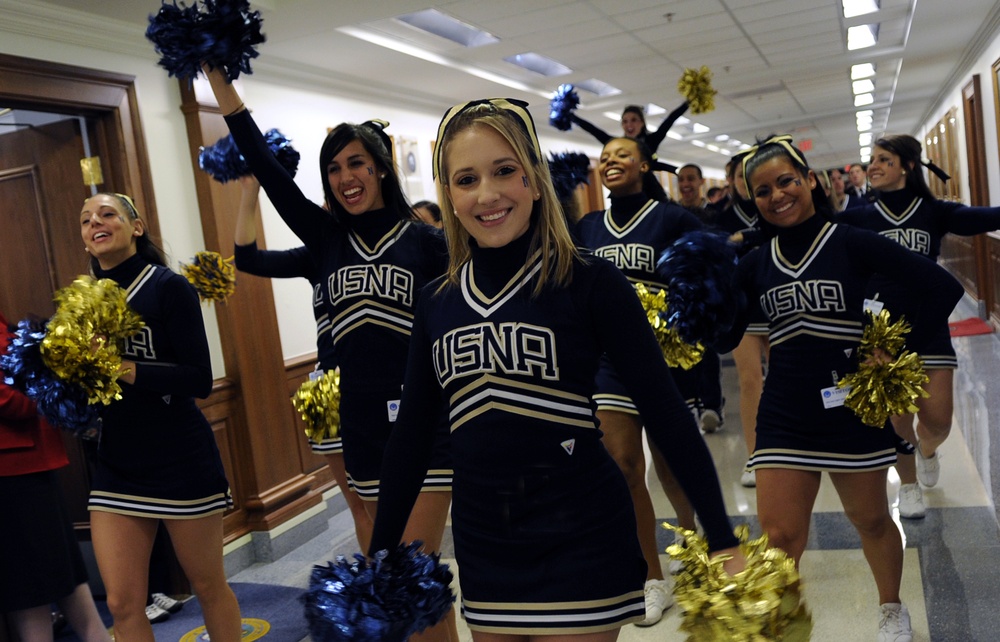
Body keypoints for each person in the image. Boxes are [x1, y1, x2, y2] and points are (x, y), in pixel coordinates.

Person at [368, 97, 743, 641]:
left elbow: (664, 412)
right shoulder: (437, 301)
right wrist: (379, 557)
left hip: (581, 536)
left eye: (504, 171)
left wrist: (722, 536)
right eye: (466, 179)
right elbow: (411, 437)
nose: (487, 194)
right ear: (449, 195)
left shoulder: (593, 283)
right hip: (483, 543)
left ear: (535, 180)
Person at [204, 67, 456, 641]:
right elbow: (265, 169)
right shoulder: (325, 238)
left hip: (423, 429)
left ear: (381, 167)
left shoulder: (429, 243)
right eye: (334, 167)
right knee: (398, 585)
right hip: (361, 428)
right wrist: (220, 79)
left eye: (357, 163)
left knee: (411, 571)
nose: (345, 177)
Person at [720, 135, 963, 642]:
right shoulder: (753, 264)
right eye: (762, 190)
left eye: (786, 181)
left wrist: (892, 346)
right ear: (752, 200)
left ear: (810, 181)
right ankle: (779, 629)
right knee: (781, 536)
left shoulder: (850, 240)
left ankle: (891, 607)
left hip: (852, 407)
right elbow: (724, 333)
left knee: (871, 520)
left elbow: (941, 288)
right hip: (785, 411)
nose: (777, 195)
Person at [80, 192, 241, 642]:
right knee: (121, 602)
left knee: (207, 585)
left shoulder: (167, 287)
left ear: (136, 227)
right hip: (117, 462)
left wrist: (121, 368)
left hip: (179, 457)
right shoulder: (84, 300)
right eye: (86, 219)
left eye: (107, 213)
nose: (96, 221)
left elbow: (199, 379)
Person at [573, 135, 707, 625]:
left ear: (644, 165)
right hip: (609, 361)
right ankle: (651, 577)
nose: (611, 161)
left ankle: (691, 543)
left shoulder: (671, 218)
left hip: (664, 358)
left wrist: (685, 314)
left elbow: (707, 269)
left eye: (622, 155)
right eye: (605, 157)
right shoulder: (588, 226)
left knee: (672, 466)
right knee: (624, 465)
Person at [837, 134, 1000, 514]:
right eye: (872, 159)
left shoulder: (932, 211)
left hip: (928, 321)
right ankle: (908, 485)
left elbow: (981, 218)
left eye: (883, 159)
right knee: (897, 413)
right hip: (879, 326)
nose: (873, 166)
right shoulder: (859, 217)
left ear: (907, 166)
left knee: (938, 419)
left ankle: (927, 450)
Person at [233, 175, 373, 549]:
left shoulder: (389, 248)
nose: (329, 208)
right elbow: (248, 258)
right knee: (359, 506)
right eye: (326, 202)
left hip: (380, 387)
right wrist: (250, 191)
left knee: (391, 502)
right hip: (330, 392)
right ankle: (381, 592)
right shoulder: (317, 256)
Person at [1, 311, 112, 642]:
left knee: (63, 573)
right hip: (13, 471)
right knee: (33, 591)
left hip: (28, 466)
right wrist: (51, 391)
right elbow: (8, 399)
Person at [710, 153, 768, 488]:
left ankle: (799, 445)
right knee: (750, 381)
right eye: (738, 177)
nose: (744, 183)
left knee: (787, 378)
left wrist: (746, 239)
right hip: (741, 307)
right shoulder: (721, 216)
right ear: (730, 180)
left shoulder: (772, 206)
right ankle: (754, 456)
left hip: (777, 300)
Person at [568, 102, 688, 174]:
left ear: (642, 123)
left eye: (634, 120)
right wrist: (572, 117)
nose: (629, 125)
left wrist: (687, 104)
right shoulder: (618, 144)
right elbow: (594, 131)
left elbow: (670, 120)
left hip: (649, 190)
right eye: (625, 121)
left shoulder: (652, 140)